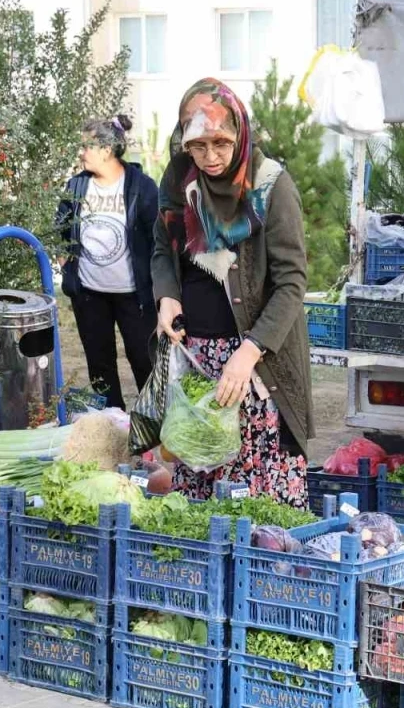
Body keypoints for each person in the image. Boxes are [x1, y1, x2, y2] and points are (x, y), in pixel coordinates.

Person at [151, 78, 313, 507]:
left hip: (258, 366)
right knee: (196, 491)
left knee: (257, 501)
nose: (211, 157)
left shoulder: (272, 187)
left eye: (221, 144)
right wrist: (167, 296)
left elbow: (293, 282)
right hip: (198, 359)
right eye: (198, 147)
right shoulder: (178, 180)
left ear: (240, 134)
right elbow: (162, 248)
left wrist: (249, 352)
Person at [57, 115, 160, 411]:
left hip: (134, 295)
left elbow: (158, 241)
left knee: (143, 360)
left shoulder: (142, 187)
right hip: (89, 295)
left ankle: (153, 424)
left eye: (86, 146)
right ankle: (114, 422)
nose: (81, 152)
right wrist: (67, 268)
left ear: (106, 150)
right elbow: (60, 230)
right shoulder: (76, 186)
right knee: (100, 365)